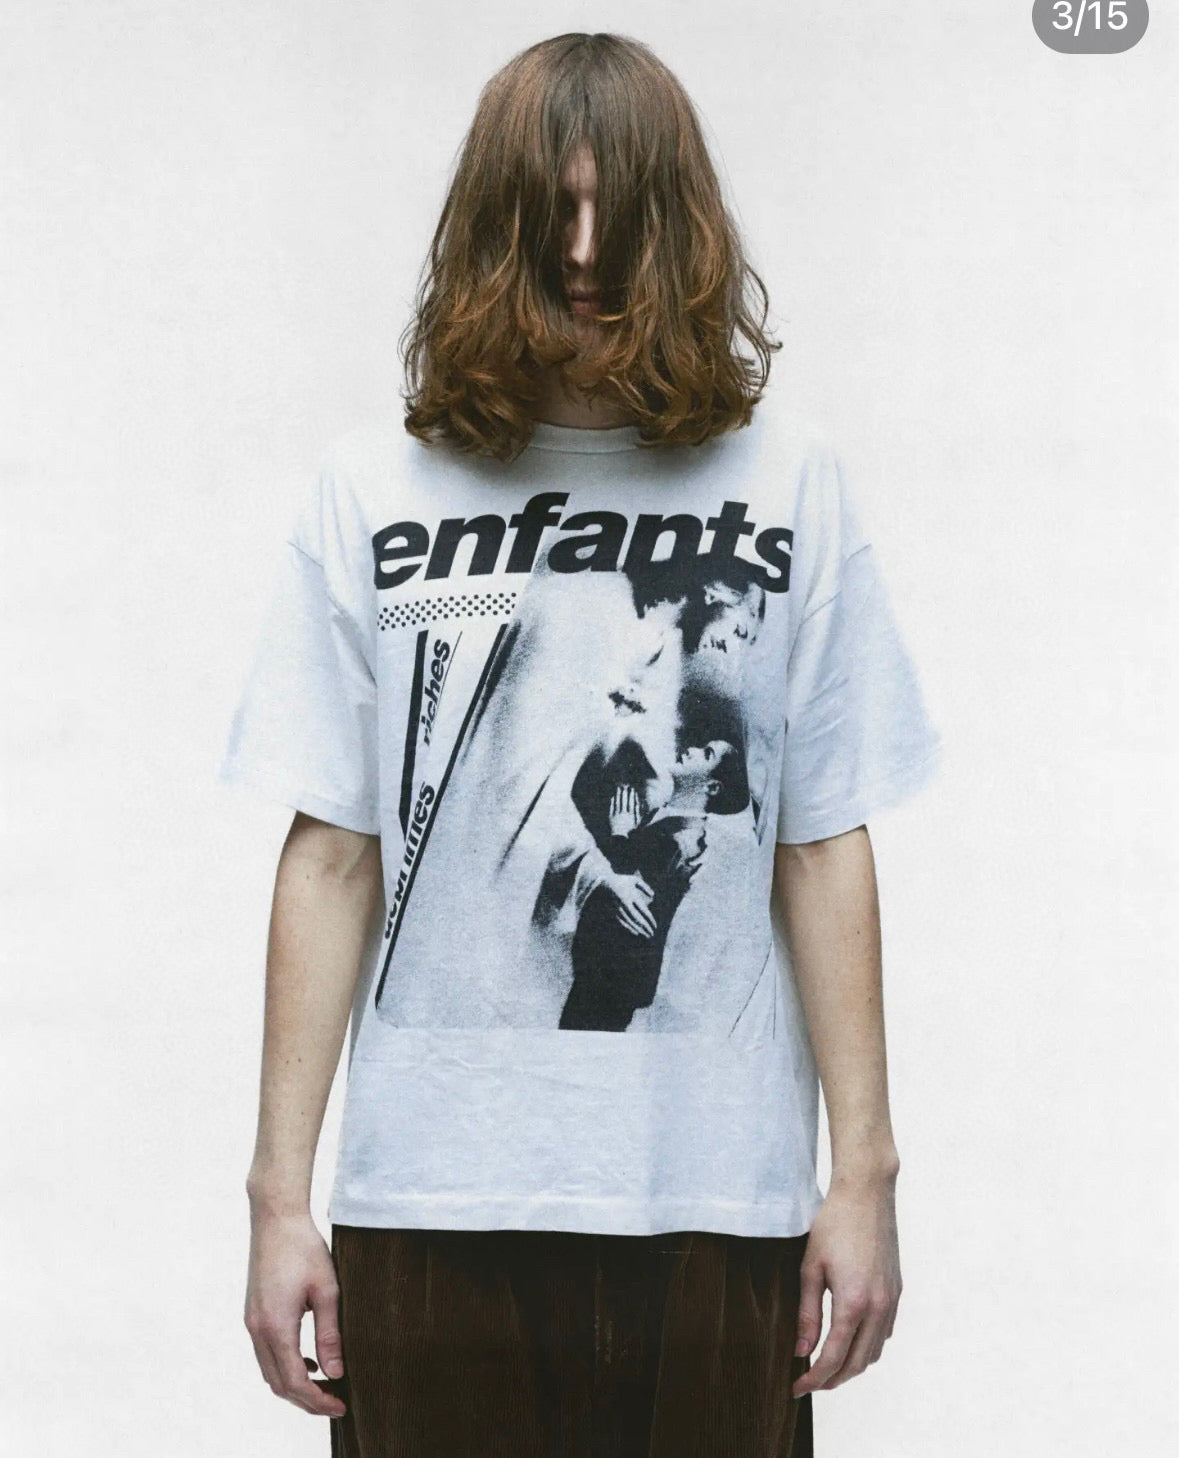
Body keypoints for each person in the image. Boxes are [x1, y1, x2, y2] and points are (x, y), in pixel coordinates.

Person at [217, 31, 942, 1458]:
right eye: (554, 209)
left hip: (715, 1205)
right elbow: (333, 850)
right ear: (497, 223)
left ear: (684, 225)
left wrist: (864, 1174)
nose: (587, 251)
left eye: (620, 210)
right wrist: (278, 1195)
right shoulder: (378, 488)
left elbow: (820, 839)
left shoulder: (787, 481)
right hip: (431, 1204)